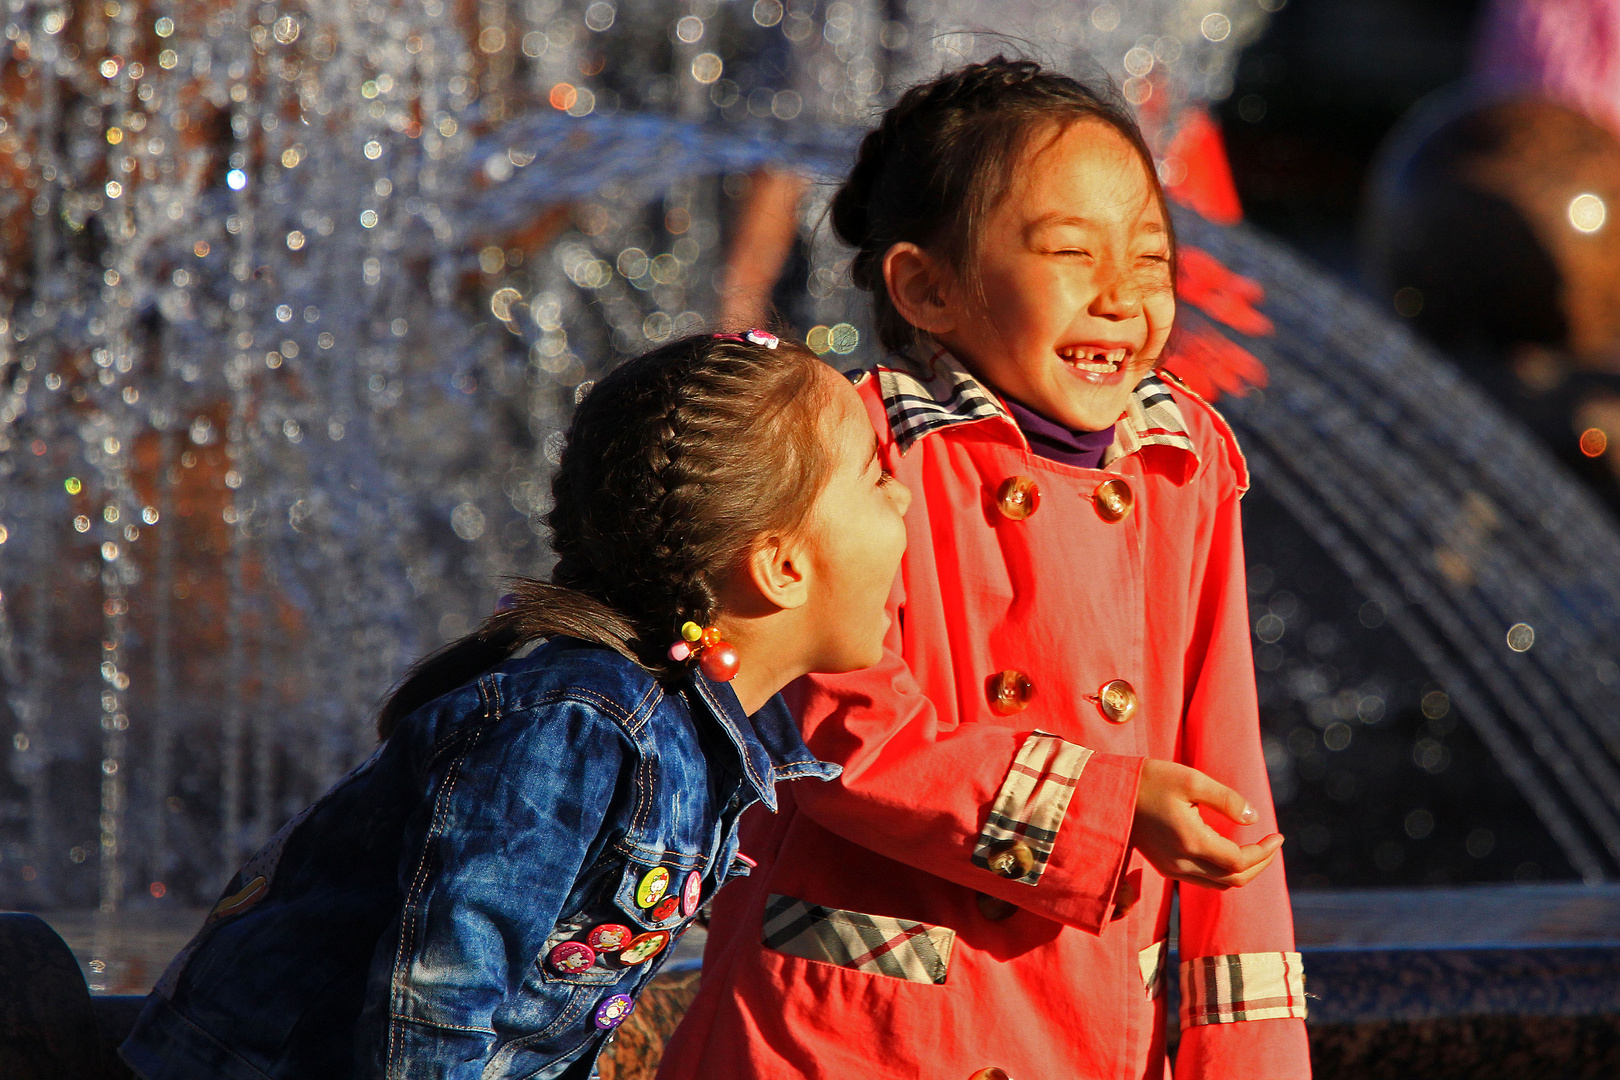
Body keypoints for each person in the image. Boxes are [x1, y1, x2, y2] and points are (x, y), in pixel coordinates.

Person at [660, 59, 1308, 1080]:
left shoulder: (1184, 462)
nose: (1122, 297)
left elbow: (1230, 785)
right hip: (853, 1037)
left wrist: (1251, 1058)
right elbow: (831, 732)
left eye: (1149, 261)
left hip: (1082, 1024)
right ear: (930, 287)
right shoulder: (856, 453)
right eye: (1069, 253)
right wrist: (1102, 807)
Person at [118, 329, 913, 1080]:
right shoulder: (580, 731)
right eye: (877, 479)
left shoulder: (691, 737)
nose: (905, 498)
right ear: (780, 566)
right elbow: (436, 1004)